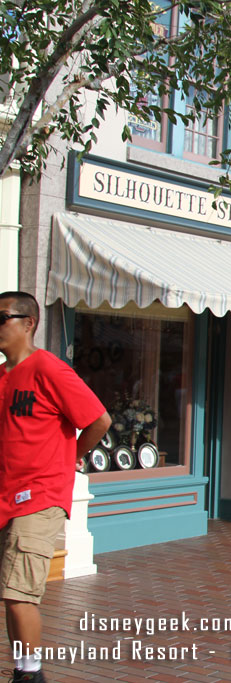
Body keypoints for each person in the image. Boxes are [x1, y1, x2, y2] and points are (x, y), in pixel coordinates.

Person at [0, 291, 112, 683]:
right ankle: (21, 669)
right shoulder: (2, 376)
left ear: (28, 323)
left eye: (2, 318)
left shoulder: (49, 368)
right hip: (5, 498)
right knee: (11, 595)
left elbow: (99, 419)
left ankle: (31, 675)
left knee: (18, 594)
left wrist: (68, 459)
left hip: (39, 497)